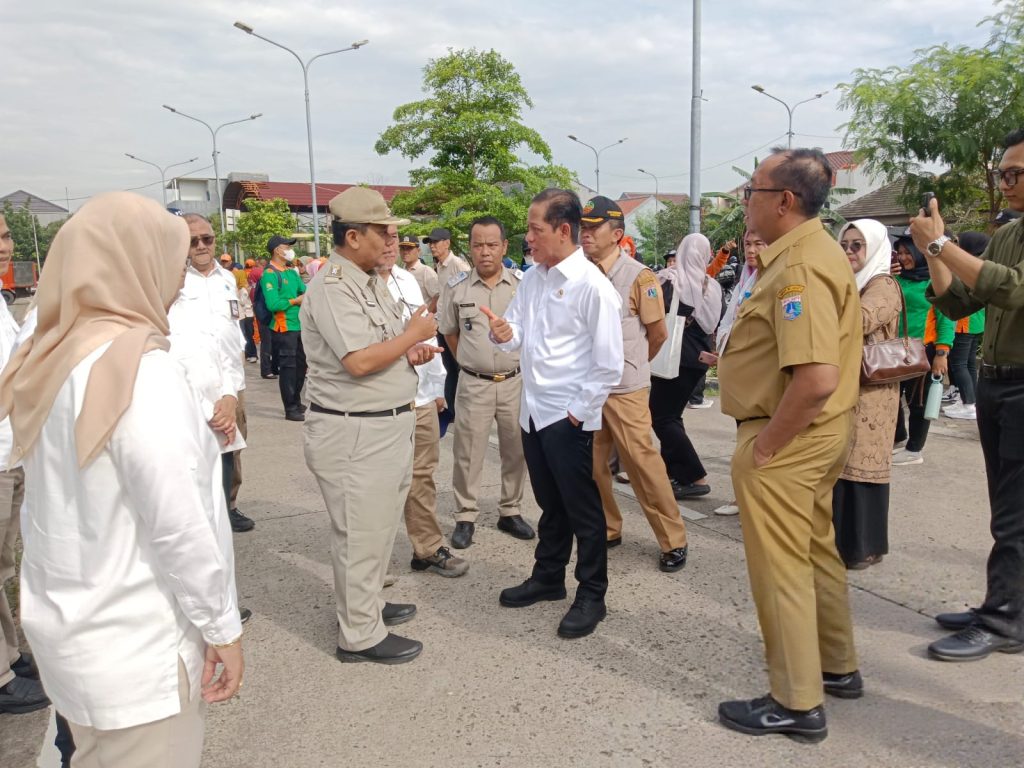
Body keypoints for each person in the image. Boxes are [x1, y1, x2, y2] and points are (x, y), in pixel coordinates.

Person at [0, 192, 243, 765]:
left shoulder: (50, 354)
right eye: (172, 262)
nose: (179, 282)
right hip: (139, 647)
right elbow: (180, 522)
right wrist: (222, 628)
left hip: (71, 633)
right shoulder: (141, 373)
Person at [717, 148, 861, 743]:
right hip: (816, 431)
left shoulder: (799, 265)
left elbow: (816, 377)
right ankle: (835, 665)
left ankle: (797, 701)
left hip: (790, 431)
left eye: (753, 189)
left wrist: (768, 448)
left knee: (781, 568)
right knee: (814, 550)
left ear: (784, 201)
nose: (745, 199)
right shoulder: (804, 254)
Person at [300, 187, 440, 665]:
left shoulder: (368, 279)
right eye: (381, 231)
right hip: (355, 431)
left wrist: (409, 348)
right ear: (353, 235)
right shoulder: (334, 286)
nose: (389, 239)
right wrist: (411, 336)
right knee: (359, 534)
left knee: (377, 530)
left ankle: (368, 607)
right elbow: (358, 362)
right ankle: (358, 636)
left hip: (384, 425)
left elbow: (382, 348)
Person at [483, 188, 623, 639]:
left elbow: (608, 364)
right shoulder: (533, 278)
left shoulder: (592, 286)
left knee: (583, 510)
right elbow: (519, 332)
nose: (528, 238)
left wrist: (579, 415)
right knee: (549, 504)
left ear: (564, 230)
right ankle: (548, 578)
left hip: (567, 415)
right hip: (532, 411)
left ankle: (592, 594)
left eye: (534, 229)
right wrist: (505, 332)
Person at [910, 128, 1024, 662]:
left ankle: (1004, 621)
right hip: (999, 380)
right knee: (1006, 503)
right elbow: (958, 303)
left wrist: (941, 244)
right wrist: (933, 251)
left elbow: (1011, 287)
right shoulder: (1006, 233)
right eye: (1003, 174)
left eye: (1016, 174)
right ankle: (1004, 606)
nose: (1006, 184)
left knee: (1015, 514)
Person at [579, 196, 689, 572]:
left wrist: (635, 366)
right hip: (590, 390)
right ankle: (608, 527)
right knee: (593, 466)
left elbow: (657, 334)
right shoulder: (580, 272)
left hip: (626, 389)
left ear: (617, 234)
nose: (586, 234)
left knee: (643, 465)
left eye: (594, 228)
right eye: (584, 227)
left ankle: (673, 539)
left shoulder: (639, 276)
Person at [377, 224, 468, 578]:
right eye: (381, 237)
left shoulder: (407, 280)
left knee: (422, 476)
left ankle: (427, 548)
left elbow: (428, 338)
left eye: (393, 239)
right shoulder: (351, 287)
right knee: (381, 483)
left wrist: (436, 391)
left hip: (421, 399)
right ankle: (371, 567)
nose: (389, 246)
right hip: (380, 402)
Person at [438, 216, 533, 549]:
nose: (485, 252)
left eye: (492, 245)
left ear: (504, 246)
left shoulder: (523, 285)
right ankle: (465, 516)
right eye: (478, 245)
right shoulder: (456, 288)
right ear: (470, 247)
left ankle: (510, 510)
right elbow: (449, 332)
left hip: (514, 382)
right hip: (473, 383)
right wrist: (469, 359)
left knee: (515, 449)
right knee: (468, 451)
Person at [169, 215, 255, 535]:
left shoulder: (226, 279)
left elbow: (233, 329)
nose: (202, 246)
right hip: (192, 384)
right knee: (194, 450)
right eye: (193, 241)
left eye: (207, 239)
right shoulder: (173, 280)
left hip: (231, 380)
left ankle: (228, 506)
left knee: (232, 444)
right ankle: (198, 511)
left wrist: (231, 390)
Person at [831, 219, 902, 570]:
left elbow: (858, 321)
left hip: (872, 393)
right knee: (843, 468)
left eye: (857, 245)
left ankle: (864, 548)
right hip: (847, 386)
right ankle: (845, 545)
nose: (849, 251)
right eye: (844, 244)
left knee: (863, 469)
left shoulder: (883, 284)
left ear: (873, 247)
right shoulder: (850, 282)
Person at [0, 213, 48, 716]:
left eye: (7, 235)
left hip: (10, 448)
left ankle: (10, 655)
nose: (4, 246)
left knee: (5, 560)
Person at [649, 234, 722, 499]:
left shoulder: (671, 280)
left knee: (662, 417)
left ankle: (694, 476)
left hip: (674, 357)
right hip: (699, 359)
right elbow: (715, 321)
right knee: (671, 415)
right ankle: (674, 473)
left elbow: (654, 312)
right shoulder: (712, 286)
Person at [711, 229, 767, 517]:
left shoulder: (773, 278)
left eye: (759, 243)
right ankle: (743, 497)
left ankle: (756, 500)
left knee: (759, 441)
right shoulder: (744, 276)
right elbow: (731, 320)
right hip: (740, 371)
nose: (752, 249)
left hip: (762, 374)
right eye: (748, 244)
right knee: (744, 438)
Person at [891, 235, 954, 465]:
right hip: (895, 349)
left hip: (923, 349)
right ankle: (899, 436)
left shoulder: (933, 281)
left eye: (908, 252)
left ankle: (915, 449)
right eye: (900, 252)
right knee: (891, 396)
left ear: (919, 254)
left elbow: (946, 318)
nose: (904, 257)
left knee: (918, 400)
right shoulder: (897, 278)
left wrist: (942, 353)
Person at [942, 232, 988, 420]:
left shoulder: (966, 268)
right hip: (976, 323)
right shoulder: (981, 265)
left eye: (959, 243)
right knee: (969, 364)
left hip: (965, 323)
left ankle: (968, 403)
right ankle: (970, 400)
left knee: (959, 363)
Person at [263, 234, 308, 421]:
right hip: (283, 328)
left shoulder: (290, 272)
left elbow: (304, 291)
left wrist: (300, 298)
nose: (290, 249)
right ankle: (290, 408)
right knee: (288, 368)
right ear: (277, 250)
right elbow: (273, 304)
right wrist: (295, 301)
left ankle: (296, 401)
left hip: (299, 325)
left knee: (301, 366)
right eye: (286, 246)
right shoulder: (270, 275)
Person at [399, 234, 440, 305]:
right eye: (402, 248)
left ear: (418, 251)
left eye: (409, 248)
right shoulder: (399, 272)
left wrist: (426, 315)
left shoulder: (426, 271)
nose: (405, 252)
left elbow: (437, 298)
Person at [236, 270, 258, 363]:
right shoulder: (245, 288)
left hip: (246, 314)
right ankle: (249, 354)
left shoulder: (243, 289)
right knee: (247, 335)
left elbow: (242, 302)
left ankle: (252, 354)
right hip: (246, 314)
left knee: (247, 335)